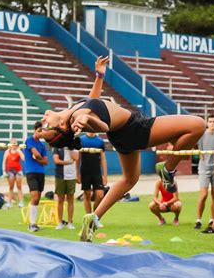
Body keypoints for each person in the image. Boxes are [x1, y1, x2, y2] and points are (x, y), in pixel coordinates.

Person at [40, 56, 205, 242]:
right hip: (134, 129)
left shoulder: (74, 111)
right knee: (198, 125)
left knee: (129, 180)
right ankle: (168, 169)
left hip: (122, 137)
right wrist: (89, 120)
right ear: (61, 126)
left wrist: (99, 76)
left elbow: (92, 101)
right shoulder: (77, 117)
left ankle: (93, 218)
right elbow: (103, 126)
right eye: (46, 126)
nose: (44, 120)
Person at [194, 115, 214, 229]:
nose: (212, 123)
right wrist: (199, 153)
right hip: (203, 167)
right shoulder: (202, 135)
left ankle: (212, 219)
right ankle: (198, 220)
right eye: (210, 121)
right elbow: (196, 147)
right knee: (203, 194)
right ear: (207, 123)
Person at [77, 133, 108, 224]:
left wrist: (105, 175)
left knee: (100, 195)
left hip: (97, 173)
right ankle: (89, 219)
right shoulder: (81, 140)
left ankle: (95, 217)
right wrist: (77, 173)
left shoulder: (100, 141)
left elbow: (103, 159)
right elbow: (78, 158)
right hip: (85, 172)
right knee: (87, 195)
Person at [24, 122, 48, 232]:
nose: (41, 133)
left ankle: (34, 223)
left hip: (40, 172)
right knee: (34, 196)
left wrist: (38, 158)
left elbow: (46, 161)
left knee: (38, 198)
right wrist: (39, 158)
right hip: (31, 172)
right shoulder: (29, 140)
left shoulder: (42, 145)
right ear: (34, 130)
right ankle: (31, 224)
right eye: (39, 131)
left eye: (42, 131)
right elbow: (38, 155)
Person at [53, 147, 78, 230]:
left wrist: (70, 149)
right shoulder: (58, 147)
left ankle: (70, 222)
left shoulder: (74, 146)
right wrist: (68, 162)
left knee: (70, 198)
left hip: (71, 176)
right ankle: (59, 222)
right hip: (60, 176)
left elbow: (76, 157)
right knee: (60, 199)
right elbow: (56, 160)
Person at [2, 138, 25, 208]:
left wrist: (19, 151)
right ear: (10, 144)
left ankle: (21, 202)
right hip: (10, 171)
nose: (14, 145)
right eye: (12, 143)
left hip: (18, 171)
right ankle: (9, 202)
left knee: (19, 186)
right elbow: (4, 162)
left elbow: (24, 159)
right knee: (11, 187)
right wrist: (3, 171)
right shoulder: (7, 152)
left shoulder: (19, 151)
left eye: (15, 143)